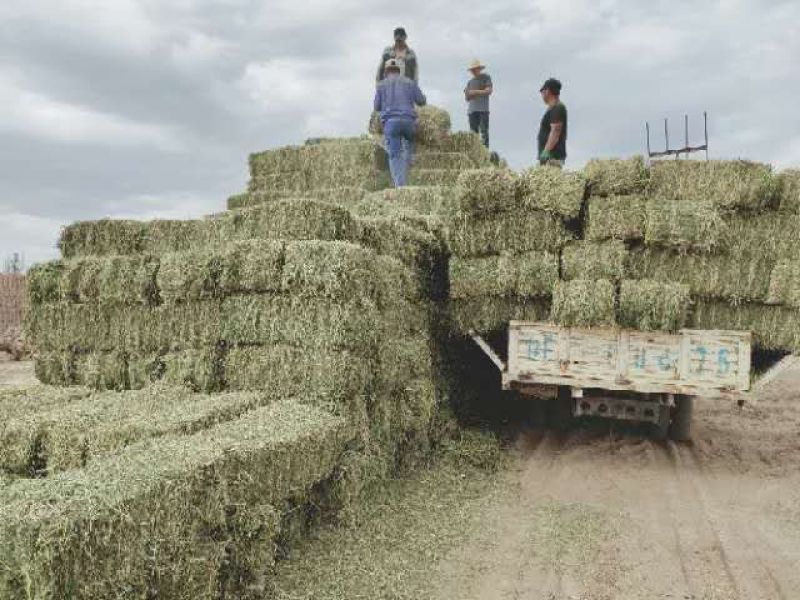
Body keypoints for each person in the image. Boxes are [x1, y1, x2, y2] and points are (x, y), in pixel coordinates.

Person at [374, 59, 427, 187]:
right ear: (399, 70)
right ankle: (409, 167)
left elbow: (376, 106)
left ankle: (401, 186)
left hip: (391, 123)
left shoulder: (381, 85)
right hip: (409, 122)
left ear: (386, 71)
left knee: (395, 155)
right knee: (409, 144)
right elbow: (421, 100)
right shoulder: (410, 83)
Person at [537, 78, 568, 168]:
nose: (541, 94)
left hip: (552, 157)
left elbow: (555, 131)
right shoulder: (553, 109)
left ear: (547, 91)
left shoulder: (557, 108)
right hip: (549, 158)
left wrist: (546, 151)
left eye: (542, 91)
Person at [464, 59, 493, 147]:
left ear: (479, 69)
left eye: (475, 69)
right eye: (472, 70)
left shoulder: (486, 77)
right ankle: (475, 153)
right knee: (473, 135)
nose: (473, 71)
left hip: (483, 109)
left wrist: (475, 92)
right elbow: (467, 98)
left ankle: (485, 153)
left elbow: (489, 91)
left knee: (484, 133)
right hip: (472, 111)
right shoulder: (469, 82)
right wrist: (468, 93)